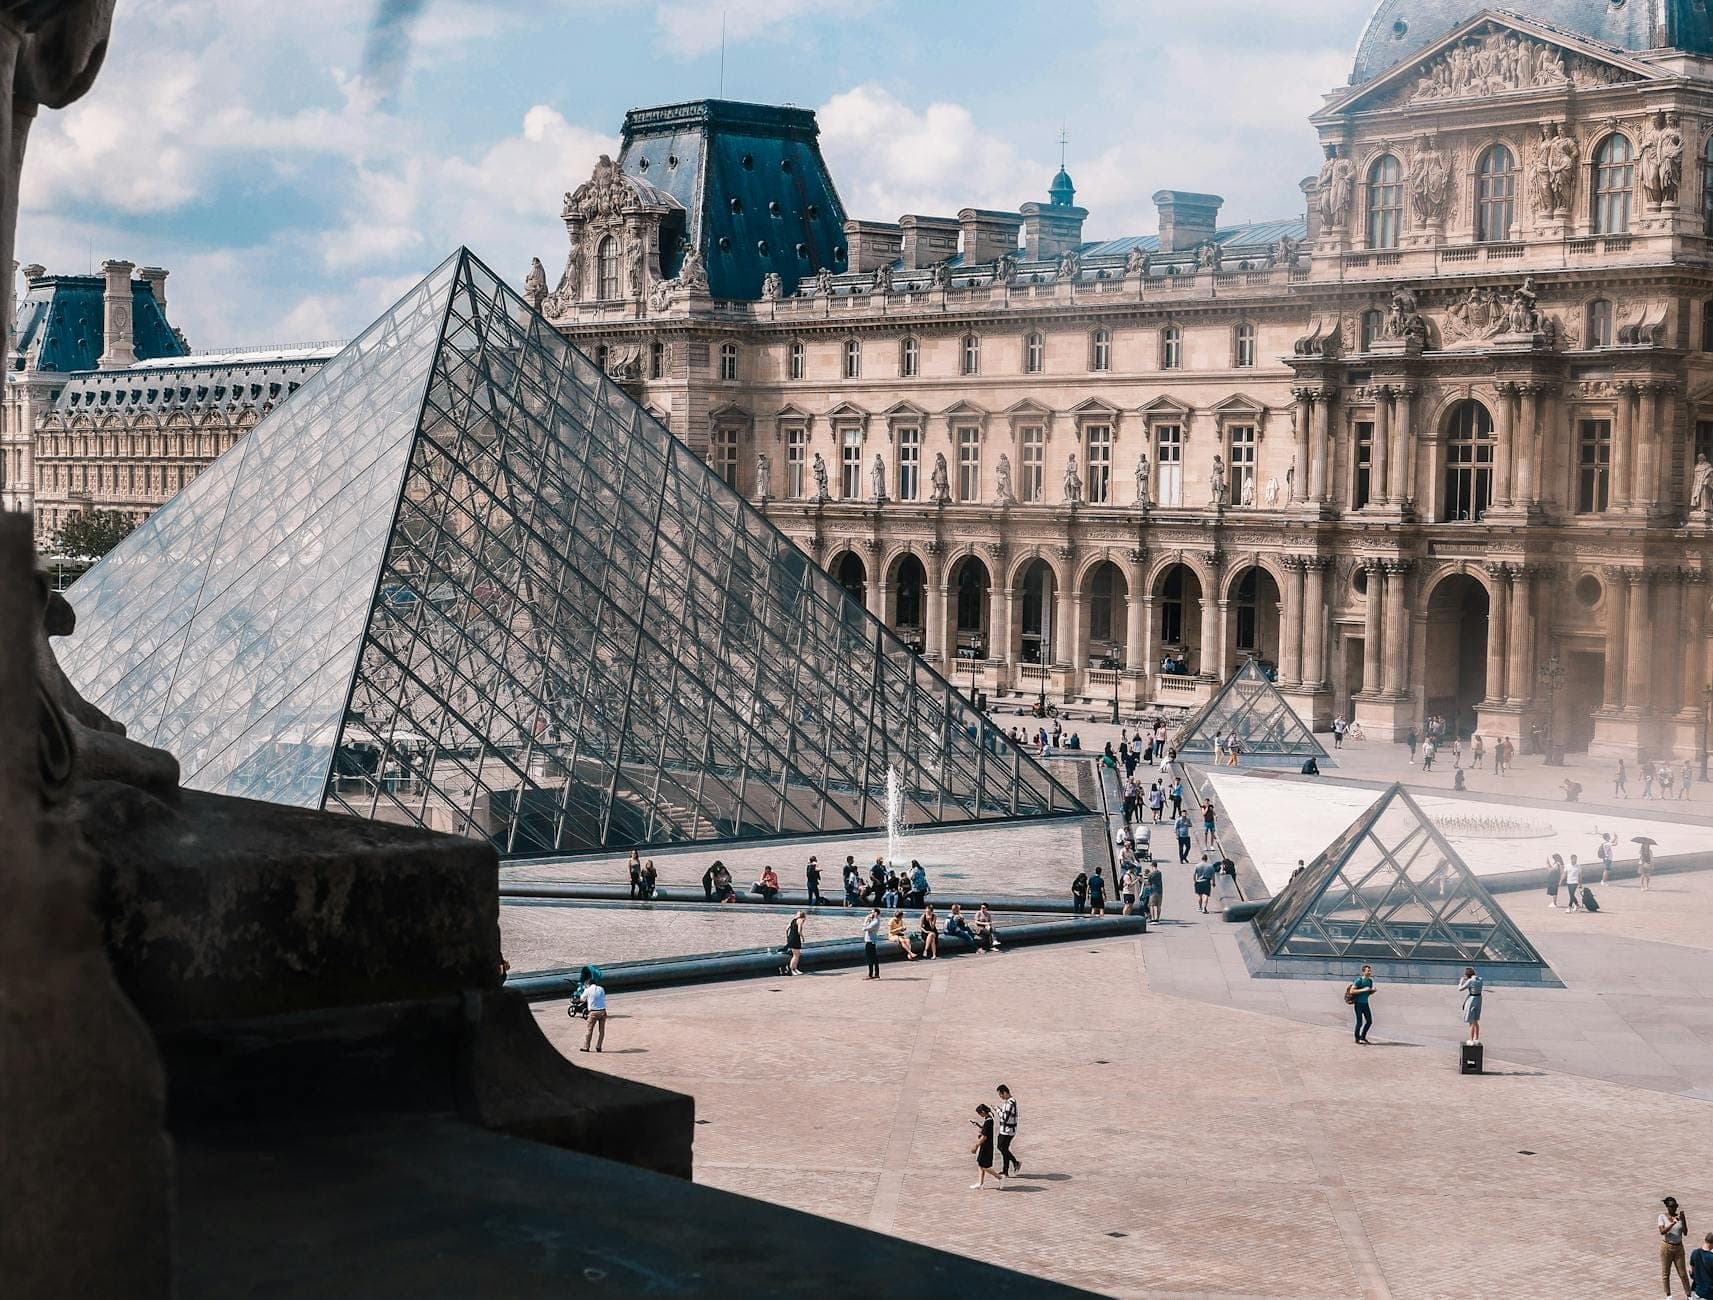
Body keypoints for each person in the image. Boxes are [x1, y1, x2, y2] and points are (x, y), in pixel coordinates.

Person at [1661, 1198, 1691, 1297]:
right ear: (1667, 1207)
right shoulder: (1662, 1217)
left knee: (1683, 1273)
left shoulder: (1679, 1217)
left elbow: (1685, 1233)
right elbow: (1662, 1232)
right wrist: (1673, 1223)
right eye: (1671, 1206)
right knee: (1666, 1273)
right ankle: (1668, 1295)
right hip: (1667, 1247)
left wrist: (1683, 1220)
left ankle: (1689, 1295)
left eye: (1675, 1206)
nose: (1674, 1208)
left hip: (1678, 1247)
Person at [970, 1103, 1003, 1189]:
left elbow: (984, 1136)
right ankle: (980, 1183)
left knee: (985, 1166)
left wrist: (976, 1145)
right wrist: (978, 1125)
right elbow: (985, 1131)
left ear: (983, 1112)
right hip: (986, 1145)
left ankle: (999, 1177)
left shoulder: (988, 1121)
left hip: (986, 1146)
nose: (980, 1115)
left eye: (980, 1113)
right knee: (980, 1164)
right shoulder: (988, 1119)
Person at [579, 967, 607, 1053]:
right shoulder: (601, 988)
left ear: (588, 984)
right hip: (603, 1011)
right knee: (601, 1031)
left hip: (593, 1012)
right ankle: (599, 1046)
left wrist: (585, 991)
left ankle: (586, 1047)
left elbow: (582, 999)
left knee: (589, 1030)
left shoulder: (587, 990)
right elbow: (602, 997)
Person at [995, 1085, 1022, 1177]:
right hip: (1009, 1130)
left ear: (1005, 1092)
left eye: (1001, 1094)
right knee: (1004, 1149)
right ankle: (1006, 1170)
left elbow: (1004, 1117)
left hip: (1007, 1131)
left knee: (1001, 1147)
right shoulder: (1011, 1102)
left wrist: (997, 1110)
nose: (1001, 1097)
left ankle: (1014, 1162)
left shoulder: (1009, 1103)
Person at [1348, 964, 1375, 1044]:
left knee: (1369, 1021)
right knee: (1359, 1022)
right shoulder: (1359, 980)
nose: (1370, 972)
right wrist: (1363, 989)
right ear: (1363, 972)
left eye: (1370, 971)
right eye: (1368, 971)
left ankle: (1363, 1036)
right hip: (1358, 1004)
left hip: (1365, 1003)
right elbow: (1352, 991)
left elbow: (1368, 993)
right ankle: (1357, 1038)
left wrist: (1372, 991)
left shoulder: (1370, 981)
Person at [1458, 966, 1484, 1042]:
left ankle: (1471, 1039)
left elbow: (1460, 988)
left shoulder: (1470, 981)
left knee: (1471, 1021)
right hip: (1479, 999)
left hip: (1472, 1000)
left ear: (1467, 975)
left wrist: (1461, 982)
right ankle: (1476, 1038)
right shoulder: (1480, 979)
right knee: (1475, 1020)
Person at [1689, 1230, 1713, 1299]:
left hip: (1697, 1292)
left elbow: (1692, 1270)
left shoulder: (1695, 1253)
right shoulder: (1711, 1257)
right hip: (1709, 1294)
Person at [782, 910, 807, 976]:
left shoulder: (793, 920)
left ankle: (795, 969)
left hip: (791, 937)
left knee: (796, 955)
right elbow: (799, 931)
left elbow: (786, 929)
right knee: (796, 955)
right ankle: (791, 969)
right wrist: (803, 937)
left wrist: (788, 936)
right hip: (796, 938)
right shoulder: (800, 920)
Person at [862, 908, 881, 978]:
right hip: (872, 940)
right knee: (874, 957)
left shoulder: (875, 922)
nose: (870, 914)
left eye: (872, 912)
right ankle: (876, 973)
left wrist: (866, 920)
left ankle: (870, 974)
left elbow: (864, 929)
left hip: (870, 941)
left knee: (870, 957)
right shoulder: (875, 920)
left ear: (876, 913)